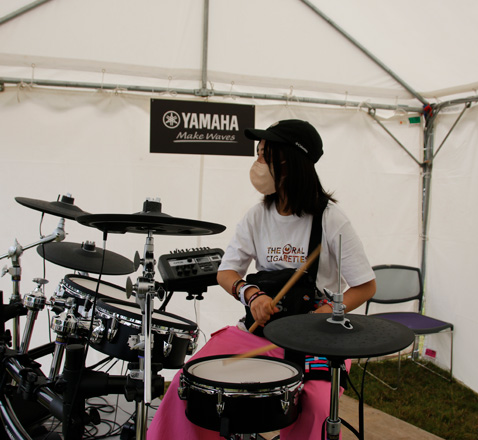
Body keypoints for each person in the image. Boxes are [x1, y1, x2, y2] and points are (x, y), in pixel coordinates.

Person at [147, 119, 376, 440]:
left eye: (266, 155)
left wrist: (326, 314)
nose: (258, 162)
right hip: (256, 334)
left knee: (318, 407)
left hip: (314, 341)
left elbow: (365, 285)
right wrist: (251, 295)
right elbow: (227, 272)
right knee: (188, 383)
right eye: (258, 153)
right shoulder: (256, 216)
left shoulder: (330, 219)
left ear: (291, 163)